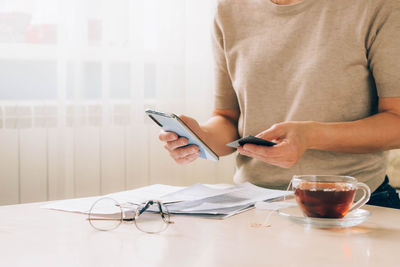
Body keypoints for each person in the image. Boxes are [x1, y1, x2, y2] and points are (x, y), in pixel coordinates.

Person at [159, 0, 400, 209]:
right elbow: (228, 118)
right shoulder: (230, 9)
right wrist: (200, 137)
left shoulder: (379, 6)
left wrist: (311, 136)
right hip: (254, 205)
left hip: (351, 203)